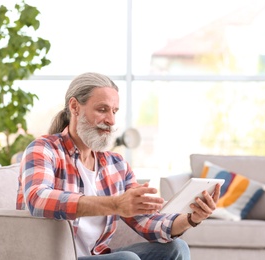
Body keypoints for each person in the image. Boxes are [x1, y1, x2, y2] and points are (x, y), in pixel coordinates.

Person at [16, 72, 221, 260]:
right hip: (54, 256)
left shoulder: (117, 165)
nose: (111, 120)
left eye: (114, 111)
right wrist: (115, 204)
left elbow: (147, 223)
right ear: (75, 107)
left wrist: (191, 218)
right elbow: (37, 200)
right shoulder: (44, 149)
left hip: (96, 256)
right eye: (102, 109)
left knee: (177, 248)